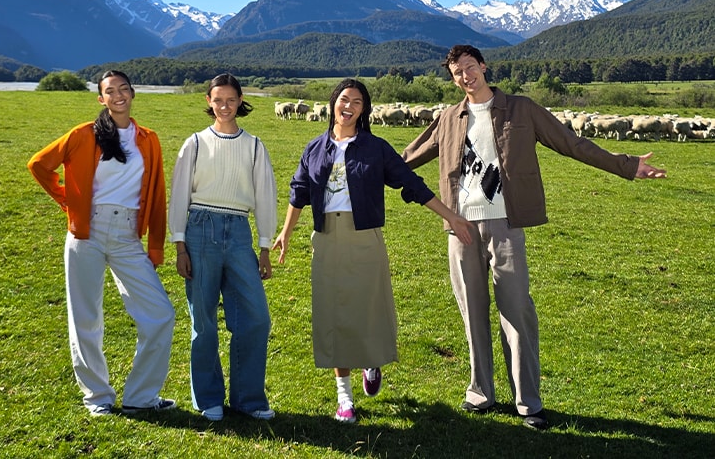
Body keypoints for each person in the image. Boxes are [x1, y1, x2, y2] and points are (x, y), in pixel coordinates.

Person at [402, 45, 667, 430]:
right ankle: (481, 392)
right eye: (457, 72)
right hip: (460, 227)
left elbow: (573, 144)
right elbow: (406, 159)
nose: (465, 76)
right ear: (453, 77)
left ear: (484, 67)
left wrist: (626, 167)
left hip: (507, 223)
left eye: (470, 68)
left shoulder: (522, 109)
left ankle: (528, 403)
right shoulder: (448, 118)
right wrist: (357, 167)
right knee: (471, 311)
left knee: (517, 311)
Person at [272, 78, 474, 424]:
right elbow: (299, 192)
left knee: (368, 307)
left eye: (357, 102)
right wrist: (285, 234)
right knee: (334, 315)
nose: (348, 107)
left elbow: (411, 184)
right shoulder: (315, 149)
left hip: (365, 237)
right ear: (333, 103)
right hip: (327, 239)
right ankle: (344, 398)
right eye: (344, 99)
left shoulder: (375, 148)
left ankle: (371, 359)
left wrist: (451, 216)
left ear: (364, 110)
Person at [27, 70, 176, 417]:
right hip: (86, 234)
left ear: (133, 93)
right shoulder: (83, 135)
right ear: (101, 99)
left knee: (160, 314)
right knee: (86, 318)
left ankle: (140, 397)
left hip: (127, 236)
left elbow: (156, 195)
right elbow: (39, 165)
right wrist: (70, 202)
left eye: (124, 88)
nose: (119, 95)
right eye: (111, 91)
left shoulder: (148, 139)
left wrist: (156, 246)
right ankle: (97, 398)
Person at [168, 73, 277, 422]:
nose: (225, 106)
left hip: (239, 232)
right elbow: (179, 196)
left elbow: (265, 198)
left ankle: (248, 399)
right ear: (208, 101)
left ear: (240, 100)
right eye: (218, 99)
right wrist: (179, 246)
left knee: (256, 318)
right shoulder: (195, 143)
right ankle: (209, 398)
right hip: (199, 230)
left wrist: (264, 246)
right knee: (204, 320)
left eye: (231, 99)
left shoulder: (255, 145)